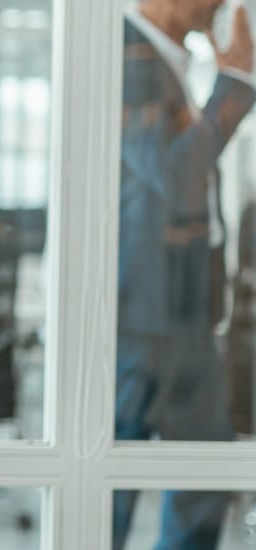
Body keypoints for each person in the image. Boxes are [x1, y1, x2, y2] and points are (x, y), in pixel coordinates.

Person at [116, 1, 255, 548]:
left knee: (207, 466)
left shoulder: (164, 57)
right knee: (112, 483)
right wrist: (237, 80)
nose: (224, 2)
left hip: (180, 311)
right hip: (142, 313)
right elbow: (179, 174)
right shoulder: (124, 52)